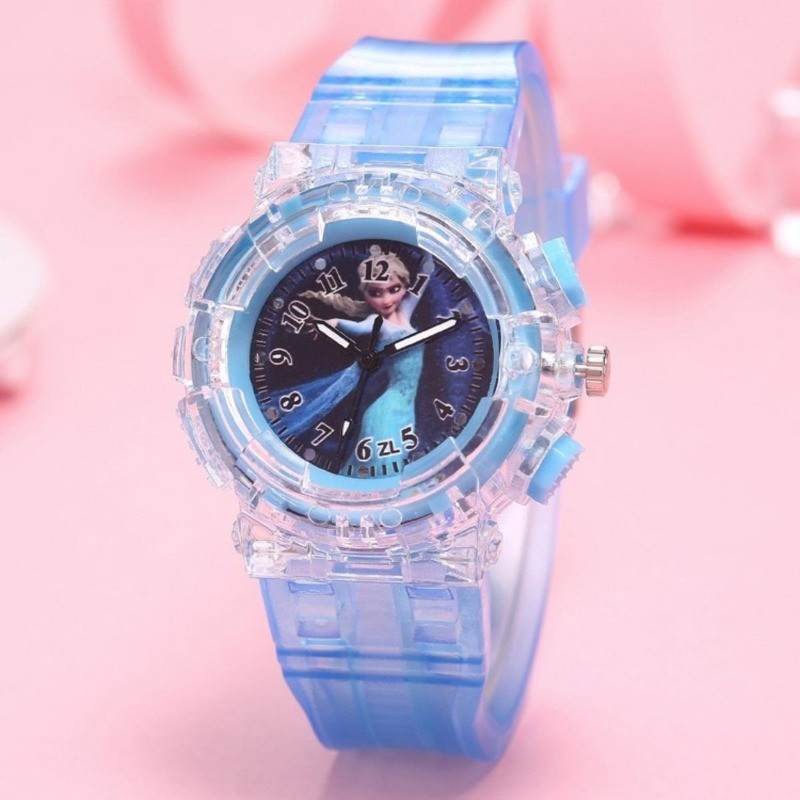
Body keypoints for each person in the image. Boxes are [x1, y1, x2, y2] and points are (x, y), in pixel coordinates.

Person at [281, 245, 432, 476]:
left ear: (404, 286)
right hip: (387, 410)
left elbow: (428, 270)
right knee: (385, 468)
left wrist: (430, 245)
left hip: (405, 408)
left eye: (394, 289)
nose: (386, 299)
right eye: (375, 293)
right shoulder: (375, 323)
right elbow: (352, 326)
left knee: (395, 465)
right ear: (365, 295)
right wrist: (330, 324)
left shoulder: (406, 310)